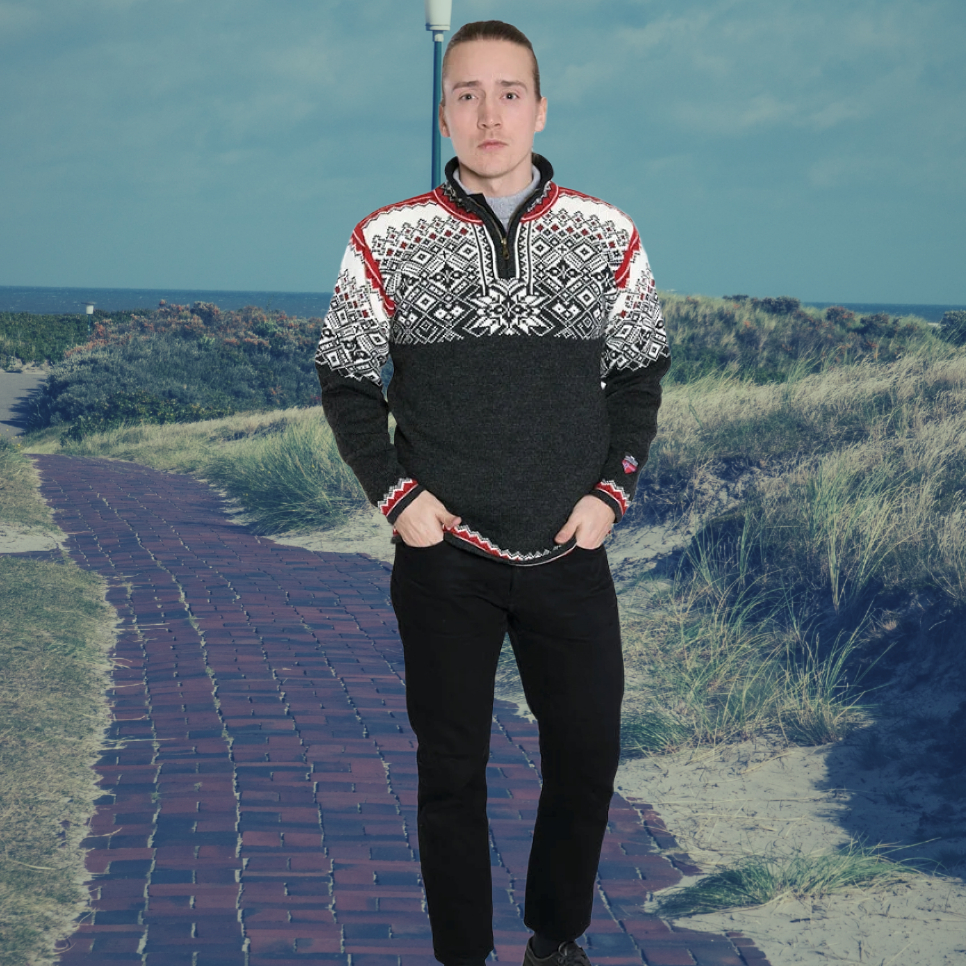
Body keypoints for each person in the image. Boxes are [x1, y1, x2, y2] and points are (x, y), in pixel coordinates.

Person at [314, 20, 671, 966]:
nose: (489, 114)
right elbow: (346, 377)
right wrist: (396, 498)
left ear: (540, 108)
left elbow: (639, 373)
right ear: (444, 114)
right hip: (445, 558)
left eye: (509, 92)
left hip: (571, 548)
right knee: (452, 772)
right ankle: (462, 954)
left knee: (587, 754)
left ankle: (554, 937)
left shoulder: (609, 235)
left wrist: (612, 492)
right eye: (467, 94)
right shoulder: (385, 238)